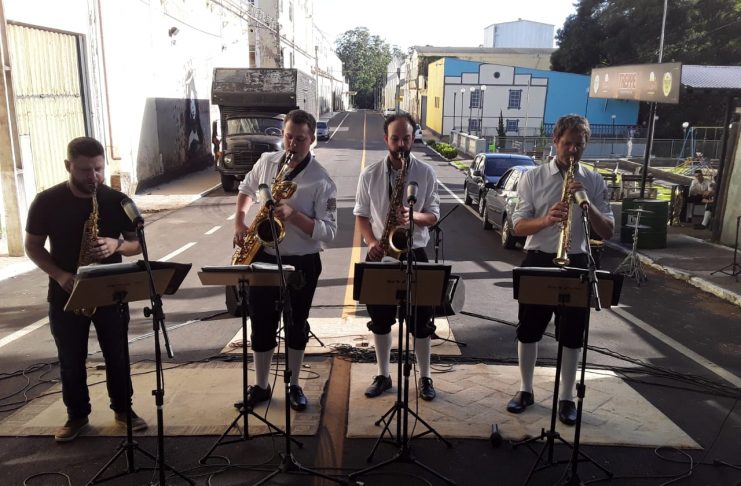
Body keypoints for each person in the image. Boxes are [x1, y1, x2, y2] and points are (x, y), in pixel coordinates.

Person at [24, 137, 147, 442]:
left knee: (117, 354)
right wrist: (60, 275)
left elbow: (136, 245)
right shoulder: (46, 201)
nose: (93, 176)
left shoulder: (117, 200)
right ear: (68, 166)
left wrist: (117, 244)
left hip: (111, 290)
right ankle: (77, 416)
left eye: (98, 169)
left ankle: (124, 409)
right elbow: (32, 246)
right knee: (70, 358)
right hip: (66, 290)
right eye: (84, 170)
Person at [506, 114, 615, 426]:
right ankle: (526, 390)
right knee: (528, 329)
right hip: (539, 259)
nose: (572, 151)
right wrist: (547, 220)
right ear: (555, 142)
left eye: (579, 145)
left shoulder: (594, 180)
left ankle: (566, 397)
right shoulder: (533, 177)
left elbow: (608, 230)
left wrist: (586, 204)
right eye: (567, 144)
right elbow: (517, 226)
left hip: (577, 260)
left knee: (572, 334)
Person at [232, 109, 337, 412]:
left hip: (302, 262)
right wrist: (239, 222)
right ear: (283, 134)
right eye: (289, 136)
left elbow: (330, 231)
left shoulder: (321, 179)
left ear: (312, 139)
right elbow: (246, 189)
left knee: (296, 324)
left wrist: (294, 216)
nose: (293, 144)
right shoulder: (267, 162)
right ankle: (261, 385)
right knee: (261, 322)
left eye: (300, 139)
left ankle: (294, 384)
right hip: (264, 257)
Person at [354, 113, 441, 401]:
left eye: (406, 138)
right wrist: (371, 242)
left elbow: (433, 216)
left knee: (421, 321)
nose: (401, 144)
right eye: (395, 138)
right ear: (386, 139)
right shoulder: (369, 174)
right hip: (382, 252)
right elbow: (361, 215)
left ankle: (425, 377)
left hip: (415, 251)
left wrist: (412, 216)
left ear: (413, 138)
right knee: (379, 319)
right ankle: (383, 374)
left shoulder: (426, 172)